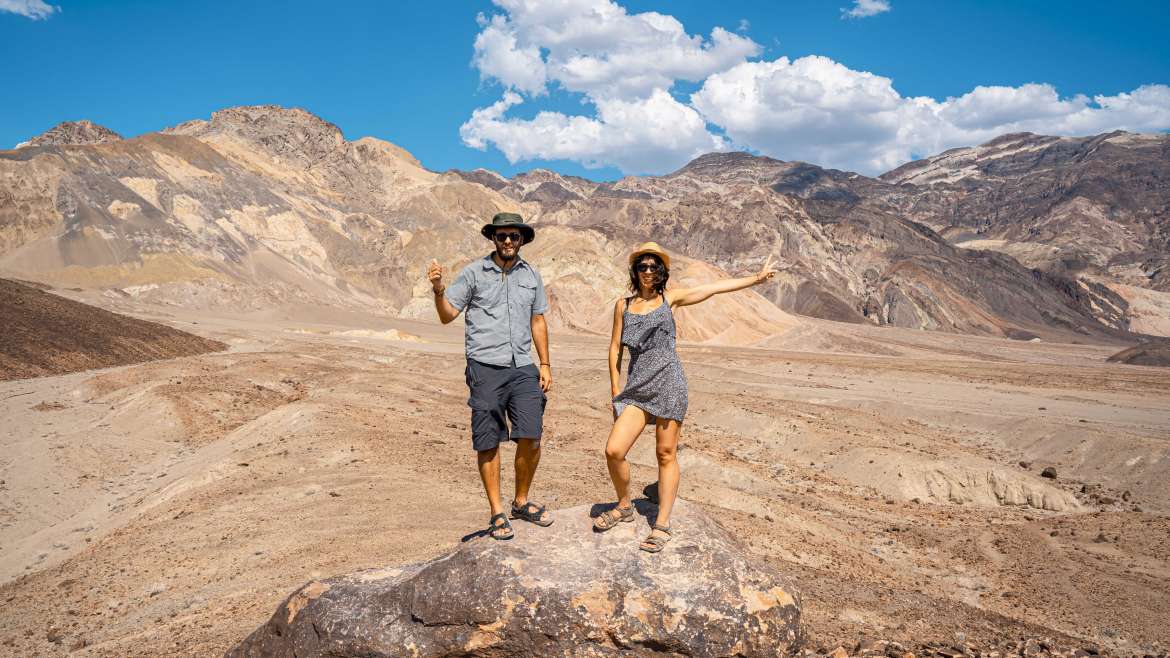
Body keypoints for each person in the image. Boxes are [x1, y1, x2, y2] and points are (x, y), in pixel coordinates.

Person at [593, 242, 780, 552]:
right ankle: (625, 505)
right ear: (635, 271)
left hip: (669, 383)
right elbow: (614, 348)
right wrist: (615, 391)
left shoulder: (671, 299)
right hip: (637, 389)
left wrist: (755, 279)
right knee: (614, 450)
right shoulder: (622, 306)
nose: (649, 271)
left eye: (654, 267)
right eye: (643, 266)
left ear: (662, 271)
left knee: (665, 453)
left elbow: (714, 288)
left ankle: (662, 523)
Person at [427, 212, 554, 540]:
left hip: (522, 365)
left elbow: (538, 320)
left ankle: (521, 501)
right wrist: (439, 290)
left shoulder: (531, 275)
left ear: (522, 239)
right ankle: (497, 511)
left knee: (532, 434)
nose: (508, 241)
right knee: (489, 439)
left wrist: (545, 364)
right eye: (502, 236)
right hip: (484, 366)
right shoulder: (473, 273)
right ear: (493, 240)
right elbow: (446, 316)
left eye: (513, 236)